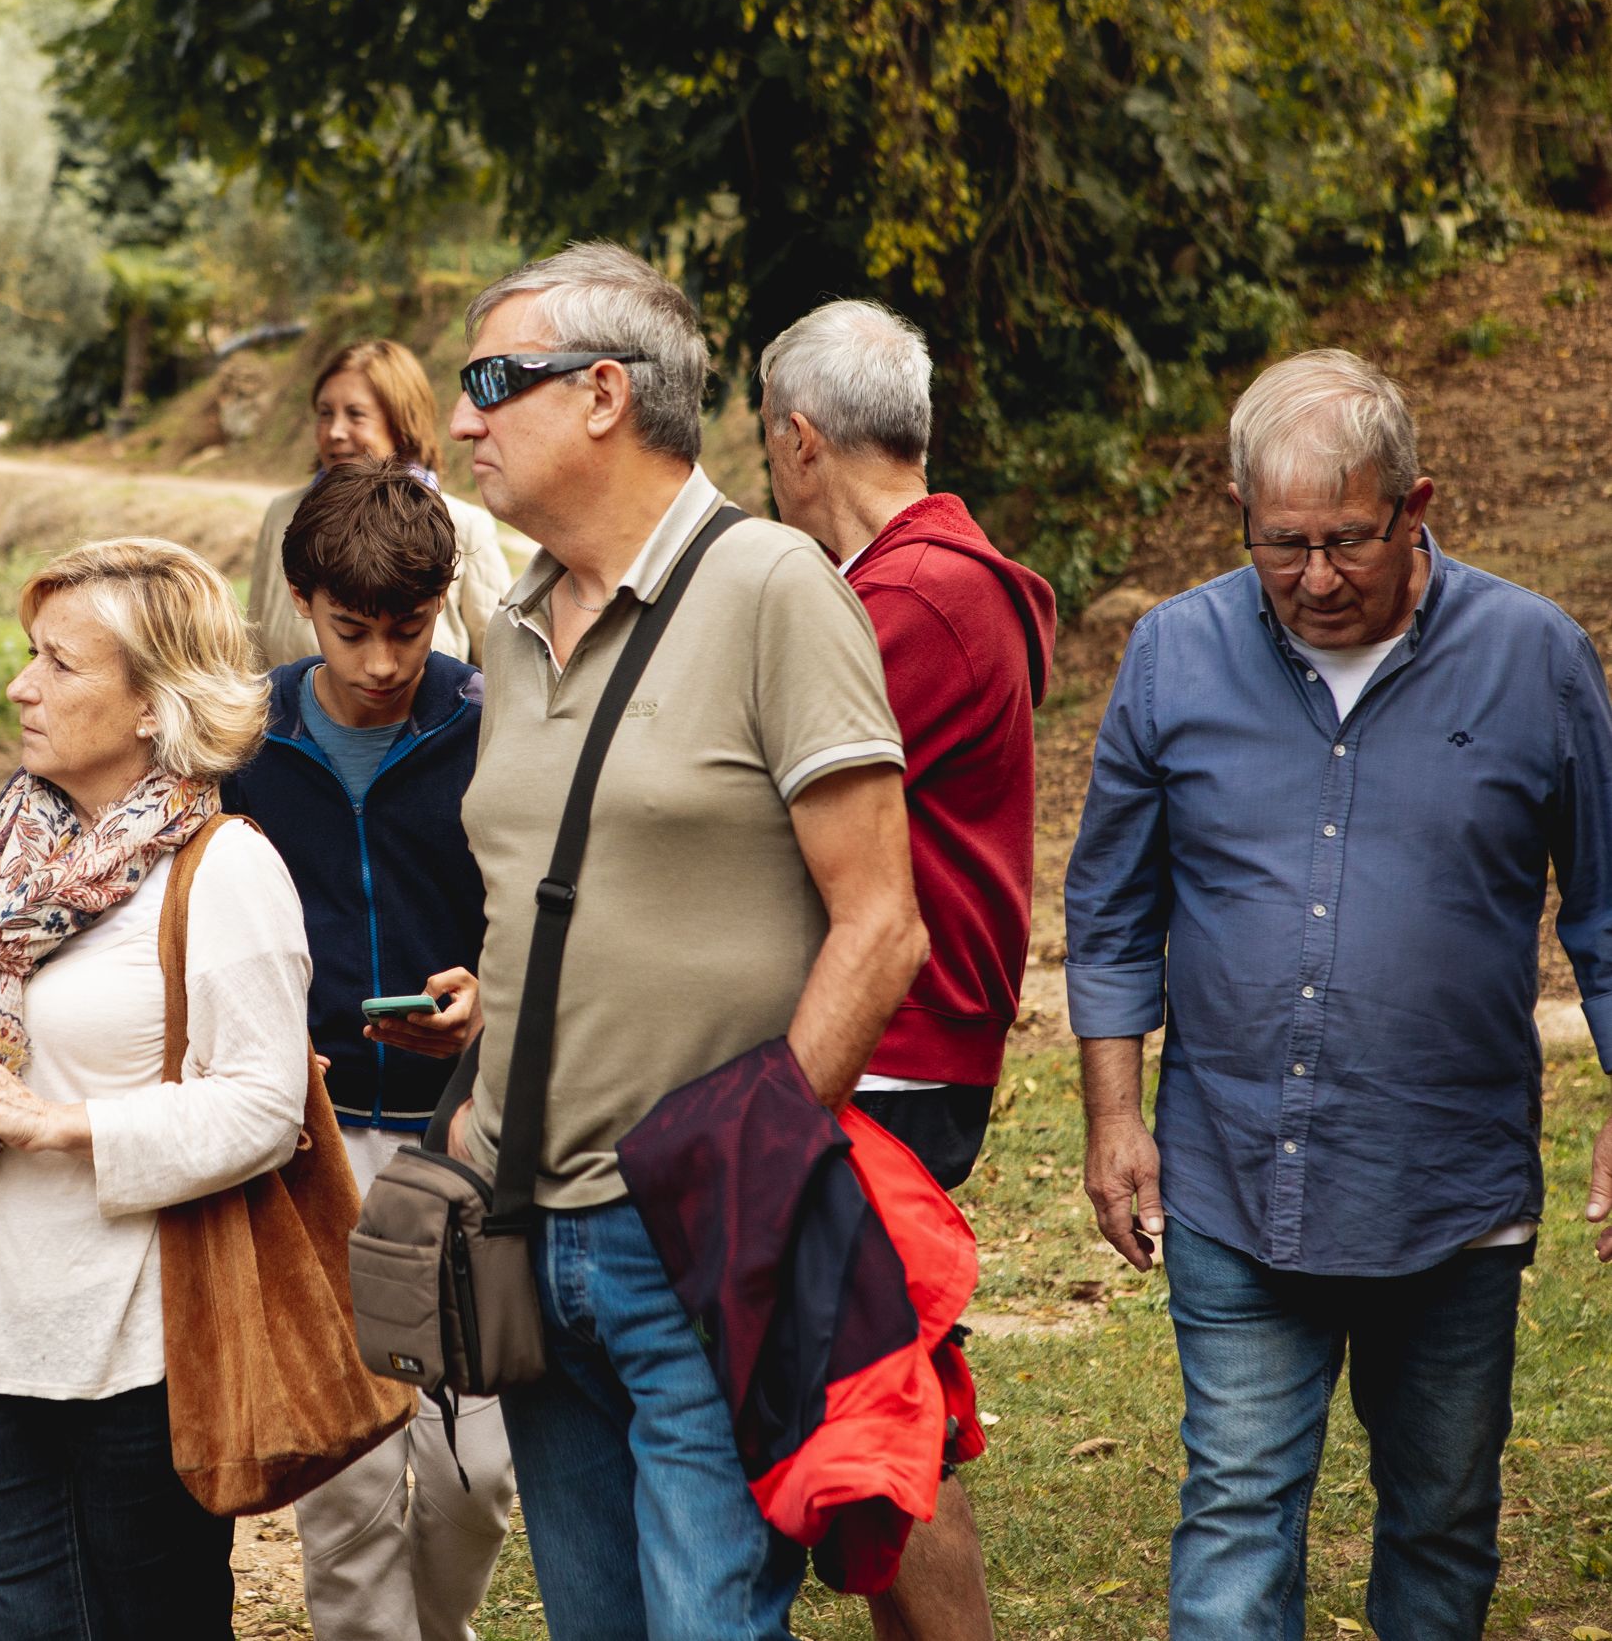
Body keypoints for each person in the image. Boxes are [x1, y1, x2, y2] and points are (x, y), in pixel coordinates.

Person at [1065, 348, 1612, 1640]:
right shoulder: (1172, 653)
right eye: (1280, 543)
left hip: (1450, 1190)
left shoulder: (1533, 659)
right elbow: (1107, 911)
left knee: (1436, 1516)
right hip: (1233, 1174)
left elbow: (1601, 910)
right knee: (1236, 1513)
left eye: (1346, 540)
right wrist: (1110, 1118)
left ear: (1415, 504)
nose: (1313, 576)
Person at [439, 243, 928, 1640]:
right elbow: (546, 889)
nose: (461, 419)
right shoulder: (514, 621)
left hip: (691, 1241)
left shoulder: (771, 584)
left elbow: (880, 920)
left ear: (601, 394)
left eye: (489, 382)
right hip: (524, 1230)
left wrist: (751, 1171)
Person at [0, 538, 312, 1639]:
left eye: (60, 665)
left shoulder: (225, 870)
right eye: (29, 654)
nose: (19, 683)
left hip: (134, 1354)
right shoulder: (11, 839)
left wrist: (61, 1122)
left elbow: (265, 1106)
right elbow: (5, 1034)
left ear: (150, 704)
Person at [758, 299, 1058, 1641]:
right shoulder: (916, 579)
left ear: (799, 440)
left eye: (767, 443)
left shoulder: (914, 597)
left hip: (891, 1046)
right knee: (883, 1387)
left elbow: (758, 788)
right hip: (897, 1042)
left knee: (885, 1399)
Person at [221, 459, 517, 1641]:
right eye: (352, 631)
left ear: (445, 601)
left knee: (476, 1473)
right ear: (301, 602)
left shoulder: (493, 724)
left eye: (409, 628)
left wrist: (488, 993)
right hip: (312, 1152)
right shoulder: (242, 743)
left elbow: (553, 909)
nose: (384, 661)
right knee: (343, 1478)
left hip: (467, 1142)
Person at [247, 338, 514, 669]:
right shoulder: (283, 516)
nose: (335, 432)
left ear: (401, 424)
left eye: (355, 415)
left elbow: (502, 665)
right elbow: (255, 654)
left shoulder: (463, 525)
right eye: (325, 414)